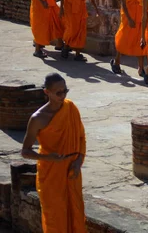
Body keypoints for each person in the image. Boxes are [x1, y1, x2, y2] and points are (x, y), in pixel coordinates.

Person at [21, 73, 86, 232]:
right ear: (47, 92)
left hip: (72, 169)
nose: (63, 96)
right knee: (55, 217)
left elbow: (80, 138)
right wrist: (46, 157)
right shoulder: (38, 118)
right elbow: (25, 151)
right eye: (58, 92)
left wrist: (78, 162)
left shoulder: (70, 108)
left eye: (65, 91)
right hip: (51, 172)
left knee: (76, 213)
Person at [111, 0, 148, 77]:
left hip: (140, 13)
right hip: (129, 16)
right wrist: (129, 18)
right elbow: (123, 4)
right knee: (124, 37)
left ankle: (141, 68)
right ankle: (116, 61)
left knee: (141, 39)